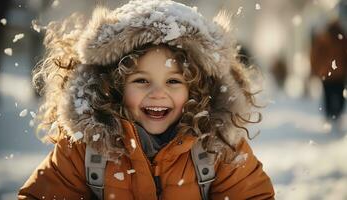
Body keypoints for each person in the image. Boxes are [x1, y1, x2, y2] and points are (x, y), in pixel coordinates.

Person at [18, 1, 274, 199]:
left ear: (196, 90)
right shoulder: (83, 150)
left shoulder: (218, 148)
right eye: (141, 80)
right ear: (115, 86)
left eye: (173, 81)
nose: (157, 93)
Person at [310, 19, 347, 125]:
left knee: (328, 95)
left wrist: (316, 69)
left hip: (326, 73)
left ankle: (330, 116)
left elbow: (315, 56)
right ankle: (336, 115)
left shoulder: (323, 38)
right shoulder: (342, 38)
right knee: (339, 95)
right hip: (338, 74)